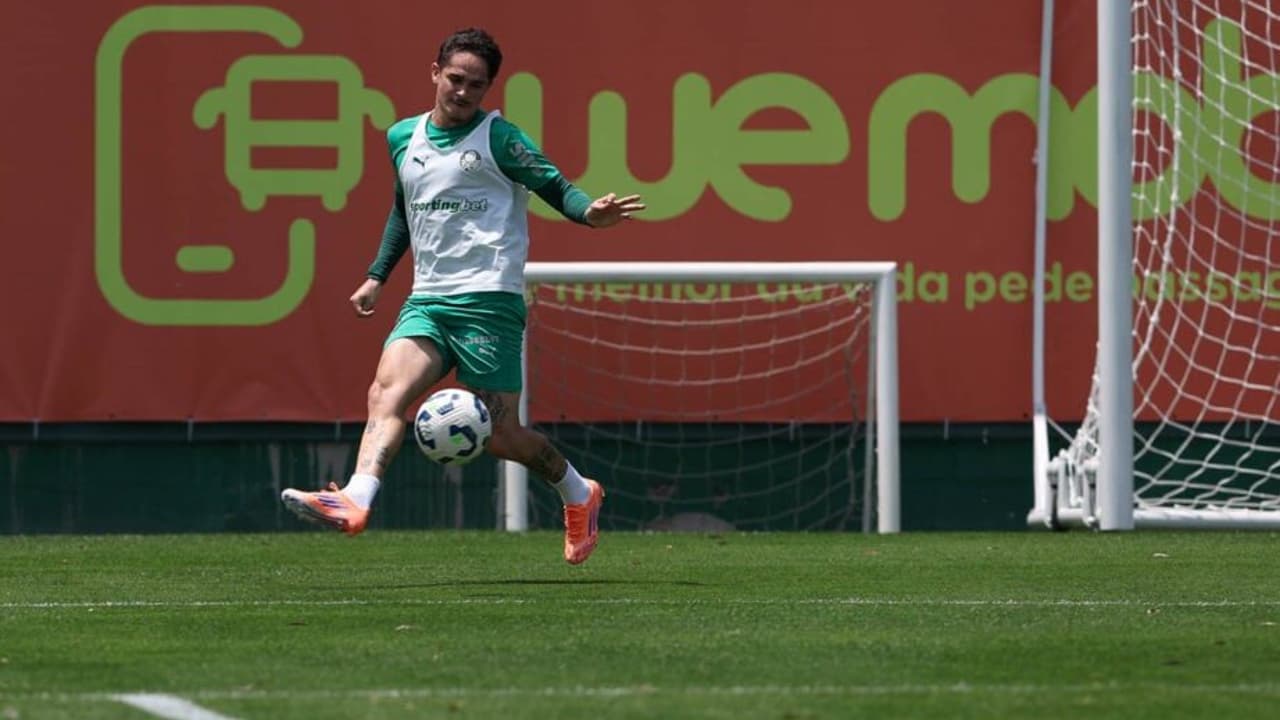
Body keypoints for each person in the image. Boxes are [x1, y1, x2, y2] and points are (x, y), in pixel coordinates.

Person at [281, 28, 644, 565]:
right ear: (435, 73)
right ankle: (356, 498)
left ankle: (578, 491)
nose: (462, 92)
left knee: (500, 436)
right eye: (455, 79)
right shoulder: (402, 137)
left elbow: (555, 185)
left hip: (489, 301)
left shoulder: (500, 138)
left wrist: (589, 213)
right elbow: (404, 209)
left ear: (488, 88)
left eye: (476, 85)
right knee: (386, 392)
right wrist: (377, 275)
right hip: (428, 300)